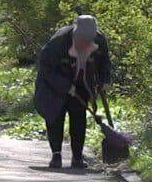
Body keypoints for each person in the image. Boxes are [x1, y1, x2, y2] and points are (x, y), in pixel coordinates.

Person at [32, 15, 113, 170]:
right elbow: (46, 69)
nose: (86, 43)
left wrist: (104, 81)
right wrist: (65, 86)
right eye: (83, 40)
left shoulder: (100, 41)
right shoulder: (59, 42)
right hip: (54, 86)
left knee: (79, 119)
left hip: (81, 83)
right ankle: (56, 155)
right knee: (55, 117)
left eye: (89, 40)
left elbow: (105, 63)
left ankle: (77, 158)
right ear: (76, 35)